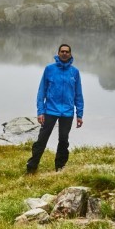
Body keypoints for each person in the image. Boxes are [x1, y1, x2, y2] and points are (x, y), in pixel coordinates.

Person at [26, 43, 84, 174]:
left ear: (70, 54)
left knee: (63, 140)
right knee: (42, 140)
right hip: (50, 111)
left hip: (67, 113)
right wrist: (40, 111)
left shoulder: (75, 72)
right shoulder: (49, 69)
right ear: (58, 53)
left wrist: (79, 114)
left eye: (67, 52)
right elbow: (41, 91)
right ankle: (31, 167)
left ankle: (60, 167)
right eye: (62, 51)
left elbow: (78, 94)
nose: (64, 53)